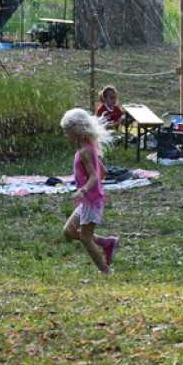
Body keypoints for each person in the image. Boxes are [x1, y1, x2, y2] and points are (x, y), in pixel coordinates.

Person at [61, 108, 119, 274]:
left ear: (76, 132)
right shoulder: (87, 149)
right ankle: (106, 242)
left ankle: (104, 271)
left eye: (67, 132)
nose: (65, 136)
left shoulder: (86, 151)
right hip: (88, 201)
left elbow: (94, 176)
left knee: (86, 238)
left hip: (90, 201)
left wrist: (85, 190)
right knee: (68, 232)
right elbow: (103, 171)